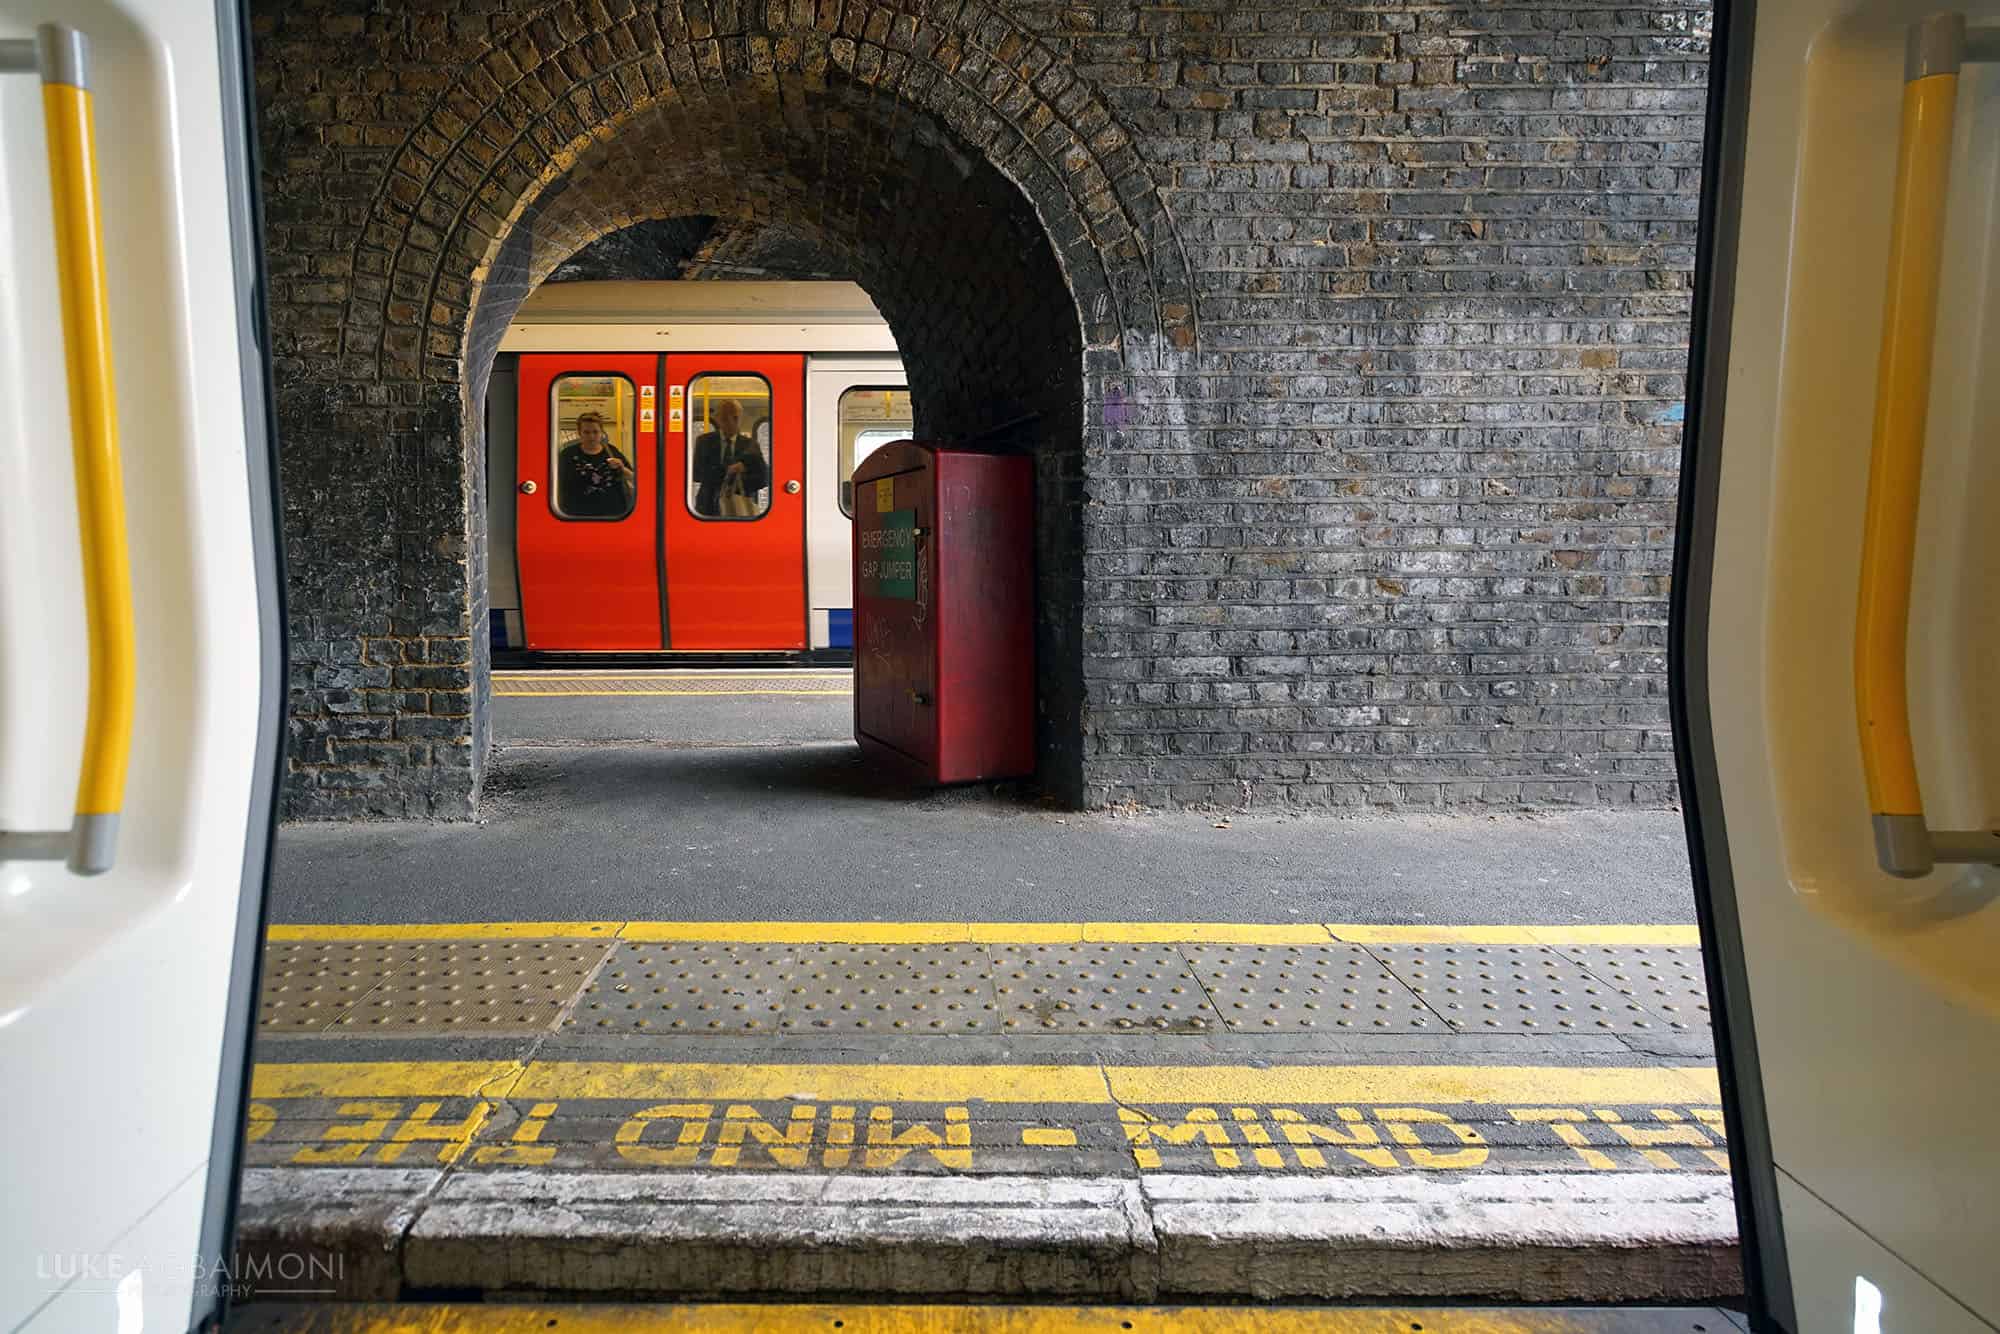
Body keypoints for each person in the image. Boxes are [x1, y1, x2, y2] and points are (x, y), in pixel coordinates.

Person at [691, 398, 769, 517]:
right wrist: (727, 470)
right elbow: (696, 473)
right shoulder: (704, 441)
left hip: (740, 506)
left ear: (740, 418)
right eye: (725, 418)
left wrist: (744, 470)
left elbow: (764, 478)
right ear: (717, 419)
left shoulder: (750, 444)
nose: (731, 422)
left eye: (735, 418)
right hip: (708, 506)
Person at [555, 411, 635, 518]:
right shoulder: (567, 454)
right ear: (579, 433)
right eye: (586, 432)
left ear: (601, 432)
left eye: (595, 432)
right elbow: (555, 483)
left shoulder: (612, 451)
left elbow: (633, 478)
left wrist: (622, 468)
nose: (591, 436)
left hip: (612, 514)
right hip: (575, 514)